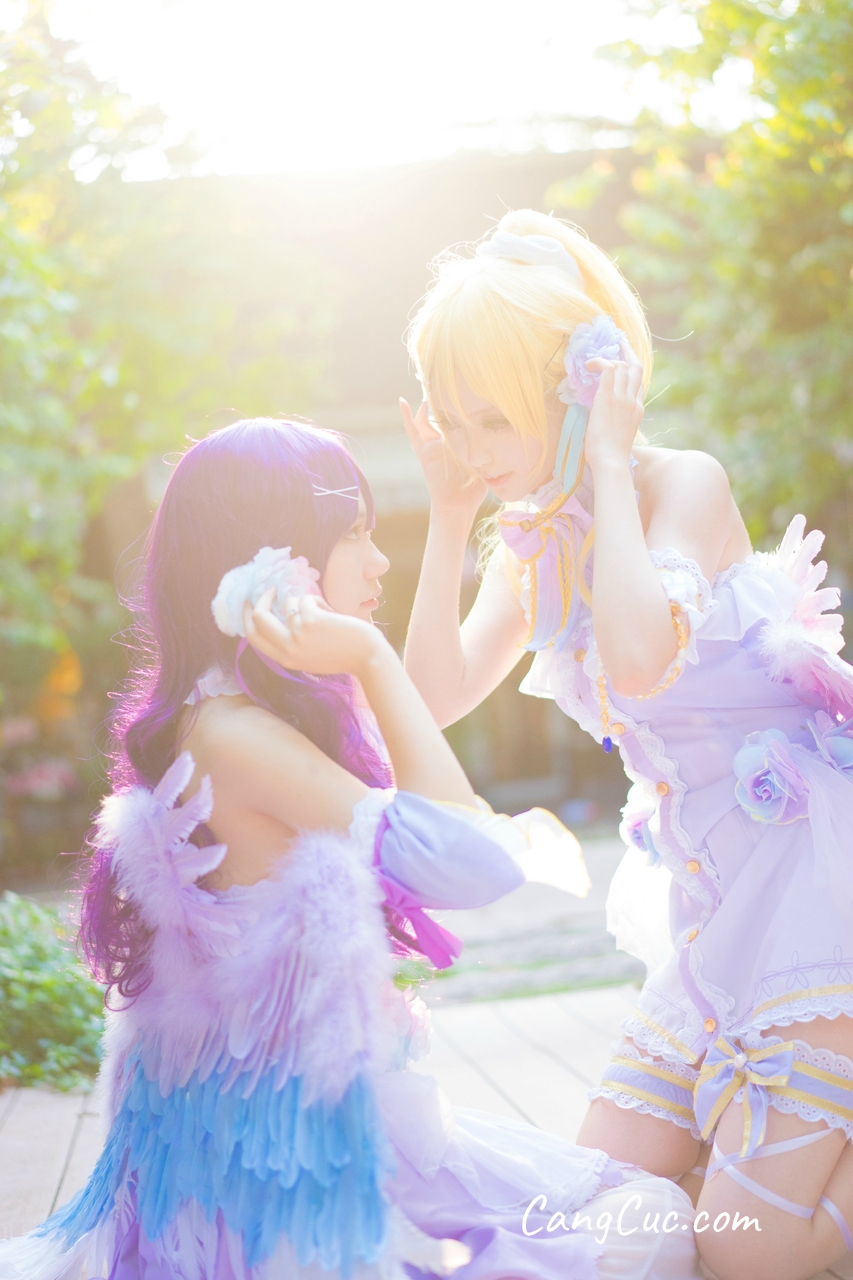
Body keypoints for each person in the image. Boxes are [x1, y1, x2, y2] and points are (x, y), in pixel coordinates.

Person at [0, 419, 698, 1280]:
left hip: (278, 1146)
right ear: (273, 560)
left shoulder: (231, 718)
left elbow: (430, 767)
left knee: (638, 1202)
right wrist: (369, 655)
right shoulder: (239, 738)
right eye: (354, 534)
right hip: (295, 1191)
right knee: (652, 1224)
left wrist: (449, 517)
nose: (376, 562)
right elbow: (473, 860)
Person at [401, 208, 853, 1280]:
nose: (474, 449)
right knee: (600, 1212)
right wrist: (447, 515)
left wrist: (608, 461)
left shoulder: (681, 482)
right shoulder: (532, 544)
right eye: (454, 421)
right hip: (715, 911)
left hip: (814, 888)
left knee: (753, 1253)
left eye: (493, 420)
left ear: (581, 384)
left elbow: (640, 657)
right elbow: (431, 697)